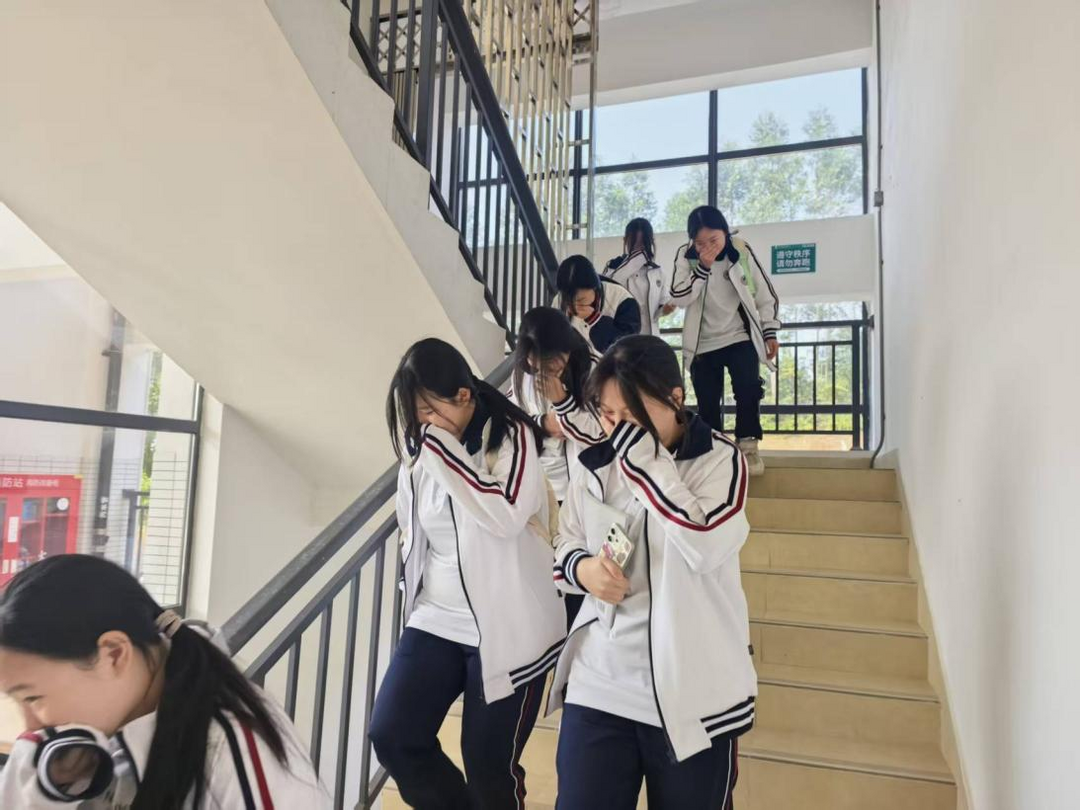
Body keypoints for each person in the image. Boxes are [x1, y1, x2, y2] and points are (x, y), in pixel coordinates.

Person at [547, 335, 756, 810]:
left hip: (694, 694)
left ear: (675, 399)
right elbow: (566, 540)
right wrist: (584, 570)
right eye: (607, 415)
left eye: (631, 415)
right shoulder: (593, 464)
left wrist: (646, 465)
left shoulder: (720, 461)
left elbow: (704, 544)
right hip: (601, 681)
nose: (617, 430)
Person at [370, 338, 565, 810]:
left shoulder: (513, 438)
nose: (421, 424)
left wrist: (443, 453)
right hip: (437, 617)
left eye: (427, 410)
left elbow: (506, 515)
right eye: (414, 414)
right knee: (393, 733)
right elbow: (412, 526)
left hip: (510, 626)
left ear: (463, 396)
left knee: (488, 768)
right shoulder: (421, 451)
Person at [0, 554, 329, 809]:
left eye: (32, 698)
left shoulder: (228, 754)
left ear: (114, 654)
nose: (29, 725)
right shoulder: (88, 742)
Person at [510, 306, 606, 629]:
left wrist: (564, 405)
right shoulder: (522, 375)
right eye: (537, 364)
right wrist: (543, 423)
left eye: (553, 362)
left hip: (582, 490)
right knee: (544, 577)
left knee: (577, 573)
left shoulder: (592, 367)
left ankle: (578, 639)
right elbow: (515, 419)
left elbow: (601, 431)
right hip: (541, 491)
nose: (546, 370)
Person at [669, 205, 781, 476]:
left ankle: (748, 447)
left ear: (725, 232)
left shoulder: (740, 250)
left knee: (748, 389)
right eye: (700, 243)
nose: (708, 247)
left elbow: (764, 292)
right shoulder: (686, 255)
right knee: (707, 401)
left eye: (714, 240)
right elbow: (678, 296)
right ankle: (715, 453)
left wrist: (769, 330)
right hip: (702, 343)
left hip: (739, 335)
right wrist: (702, 268)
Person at [556, 254, 641, 357]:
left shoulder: (622, 300)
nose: (574, 305)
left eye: (581, 300)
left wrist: (594, 319)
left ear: (595, 287)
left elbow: (628, 349)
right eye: (569, 301)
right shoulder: (559, 300)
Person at [603, 218, 674, 337]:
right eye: (634, 243)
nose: (639, 249)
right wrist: (633, 263)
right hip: (623, 336)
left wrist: (667, 309)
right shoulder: (613, 266)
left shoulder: (657, 271)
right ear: (625, 240)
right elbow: (607, 290)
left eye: (642, 244)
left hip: (650, 337)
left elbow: (661, 307)